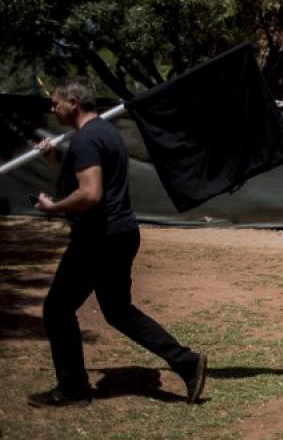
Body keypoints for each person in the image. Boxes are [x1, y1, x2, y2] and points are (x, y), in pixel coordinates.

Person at [27, 77, 208, 407]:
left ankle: (72, 389)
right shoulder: (103, 133)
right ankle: (186, 361)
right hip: (121, 233)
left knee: (57, 309)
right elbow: (92, 179)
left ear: (74, 103)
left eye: (56, 103)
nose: (53, 108)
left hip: (98, 238)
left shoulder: (87, 141)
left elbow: (91, 193)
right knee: (118, 311)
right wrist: (55, 158)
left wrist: (53, 207)